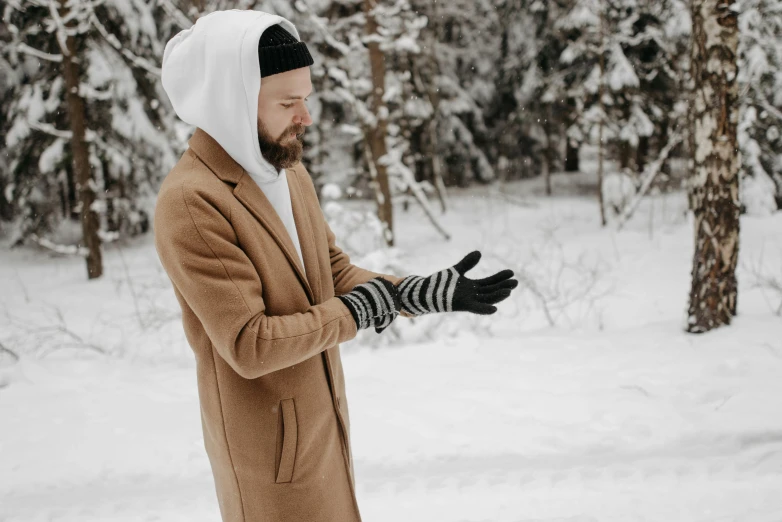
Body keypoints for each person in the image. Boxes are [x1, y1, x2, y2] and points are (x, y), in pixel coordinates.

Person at [155, 9, 518, 522]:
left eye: (306, 98)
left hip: (322, 424)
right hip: (269, 455)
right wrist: (356, 313)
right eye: (288, 102)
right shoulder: (193, 201)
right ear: (231, 103)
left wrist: (413, 293)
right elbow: (250, 344)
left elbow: (330, 271)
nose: (306, 117)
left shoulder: (284, 165)